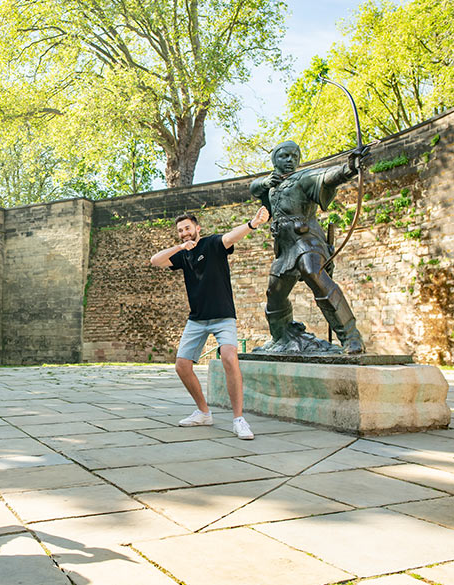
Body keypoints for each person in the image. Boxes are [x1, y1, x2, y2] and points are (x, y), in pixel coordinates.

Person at [150, 208, 270, 439]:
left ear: (197, 229)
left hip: (223, 316)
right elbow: (155, 260)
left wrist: (253, 223)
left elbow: (230, 237)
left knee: (228, 357)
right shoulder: (182, 254)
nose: (184, 233)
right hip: (197, 319)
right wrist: (180, 248)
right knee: (182, 366)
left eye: (188, 228)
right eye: (180, 230)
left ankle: (238, 419)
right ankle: (204, 412)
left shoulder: (212, 244)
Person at [249, 140, 368, 354]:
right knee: (274, 293)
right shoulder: (271, 186)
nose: (290, 160)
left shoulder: (304, 178)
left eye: (294, 157)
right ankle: (281, 336)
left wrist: (349, 168)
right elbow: (254, 188)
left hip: (307, 240)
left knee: (313, 273)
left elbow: (328, 176)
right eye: (284, 156)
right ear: (274, 159)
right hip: (284, 247)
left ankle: (351, 337)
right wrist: (268, 181)